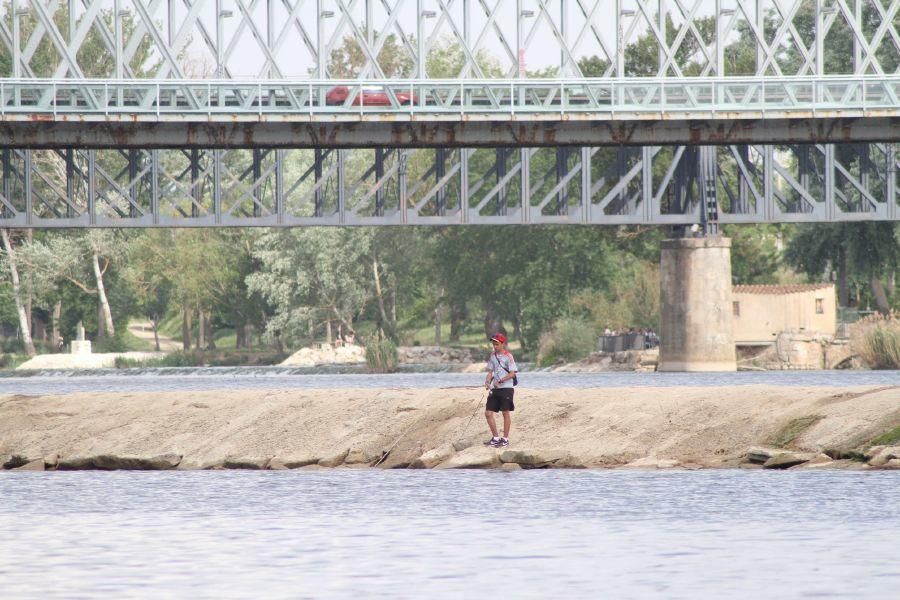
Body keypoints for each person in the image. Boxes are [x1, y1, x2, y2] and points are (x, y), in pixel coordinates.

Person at [483, 332, 518, 448]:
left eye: (497, 343)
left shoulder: (509, 356)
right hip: (495, 389)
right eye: (493, 343)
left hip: (506, 389)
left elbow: (513, 374)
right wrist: (488, 381)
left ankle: (505, 439)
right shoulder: (492, 356)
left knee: (505, 413)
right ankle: (496, 438)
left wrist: (500, 381)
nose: (494, 346)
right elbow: (490, 371)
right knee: (488, 413)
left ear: (503, 344)